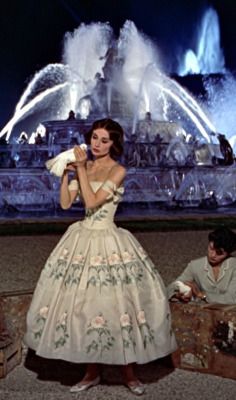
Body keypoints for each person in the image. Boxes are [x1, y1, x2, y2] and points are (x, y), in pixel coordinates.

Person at [24, 118, 177, 395]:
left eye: (104, 140)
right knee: (87, 307)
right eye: (94, 138)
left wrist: (81, 168)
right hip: (82, 238)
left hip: (109, 239)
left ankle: (129, 372)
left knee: (119, 307)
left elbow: (93, 201)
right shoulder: (87, 166)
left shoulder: (118, 170)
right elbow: (66, 203)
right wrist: (67, 175)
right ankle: (91, 371)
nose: (97, 144)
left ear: (114, 144)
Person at [168, 227, 236, 304]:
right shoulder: (195, 265)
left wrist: (201, 295)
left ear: (228, 253)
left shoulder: (234, 266)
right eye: (211, 248)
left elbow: (232, 298)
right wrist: (178, 294)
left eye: (219, 253)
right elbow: (171, 288)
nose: (213, 255)